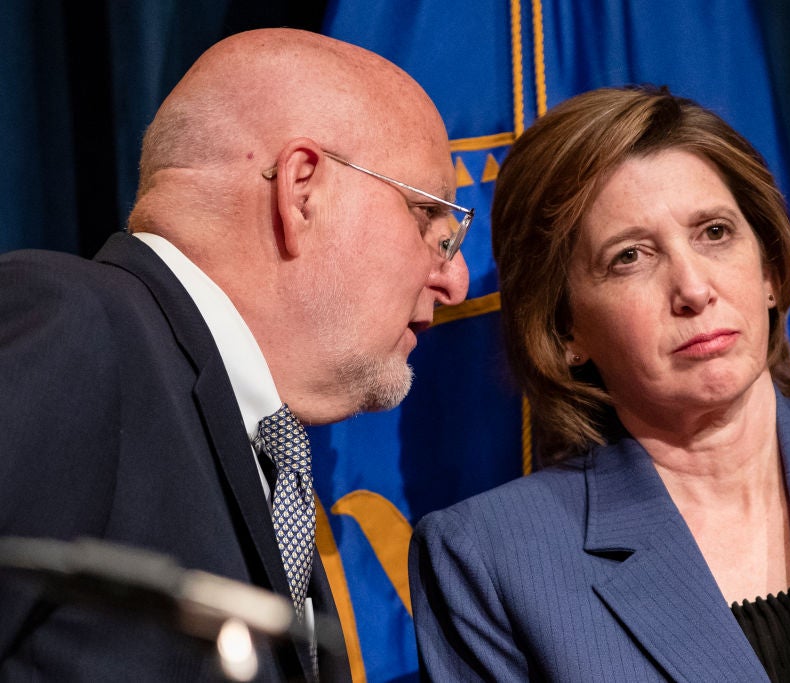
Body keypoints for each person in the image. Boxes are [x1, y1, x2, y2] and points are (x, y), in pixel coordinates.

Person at [409, 86, 790, 681]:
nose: (695, 289)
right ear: (566, 328)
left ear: (768, 271)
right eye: (630, 257)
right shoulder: (489, 562)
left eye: (715, 233)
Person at [0, 28, 470, 681]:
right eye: (428, 219)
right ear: (303, 188)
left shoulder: (266, 450)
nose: (456, 279)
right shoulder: (78, 326)